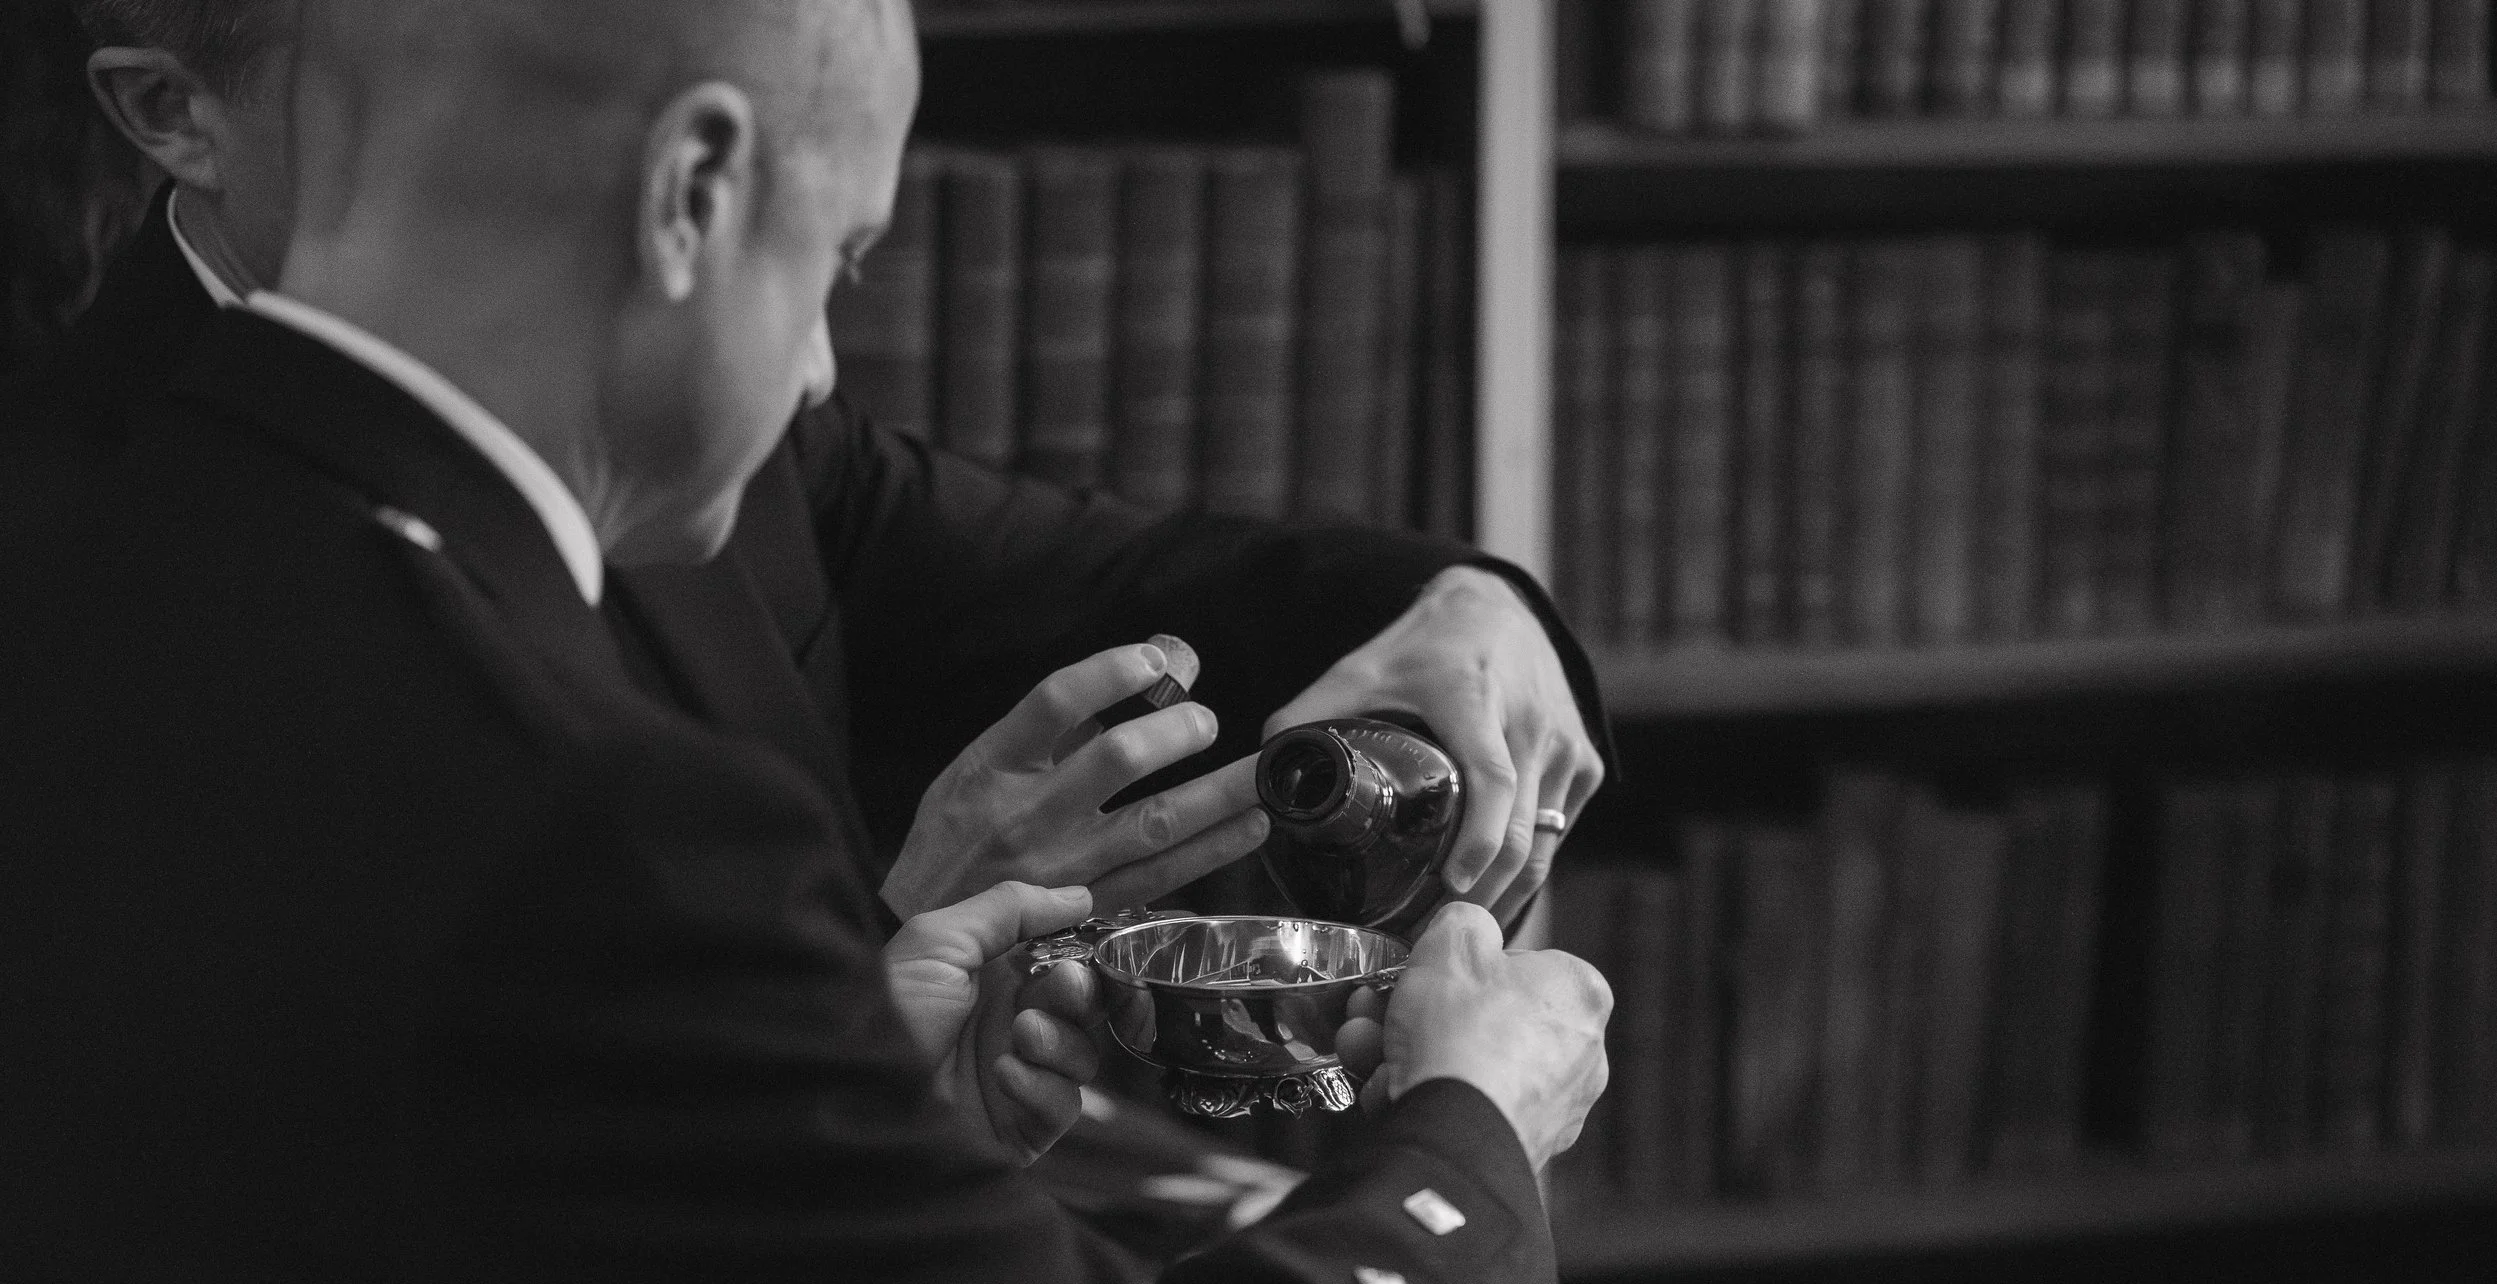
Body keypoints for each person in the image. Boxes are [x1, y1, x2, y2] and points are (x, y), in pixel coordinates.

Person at [0, 3, 1614, 1284]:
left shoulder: (100, 580)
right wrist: (1472, 1130)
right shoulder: (605, 843)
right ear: (690, 188)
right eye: (841, 263)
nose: (830, 365)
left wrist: (839, 1094)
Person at [12, 0, 1611, 948]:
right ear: (174, 118)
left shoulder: (740, 424)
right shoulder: (81, 574)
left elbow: (1140, 582)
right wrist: (893, 979)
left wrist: (1465, 608)